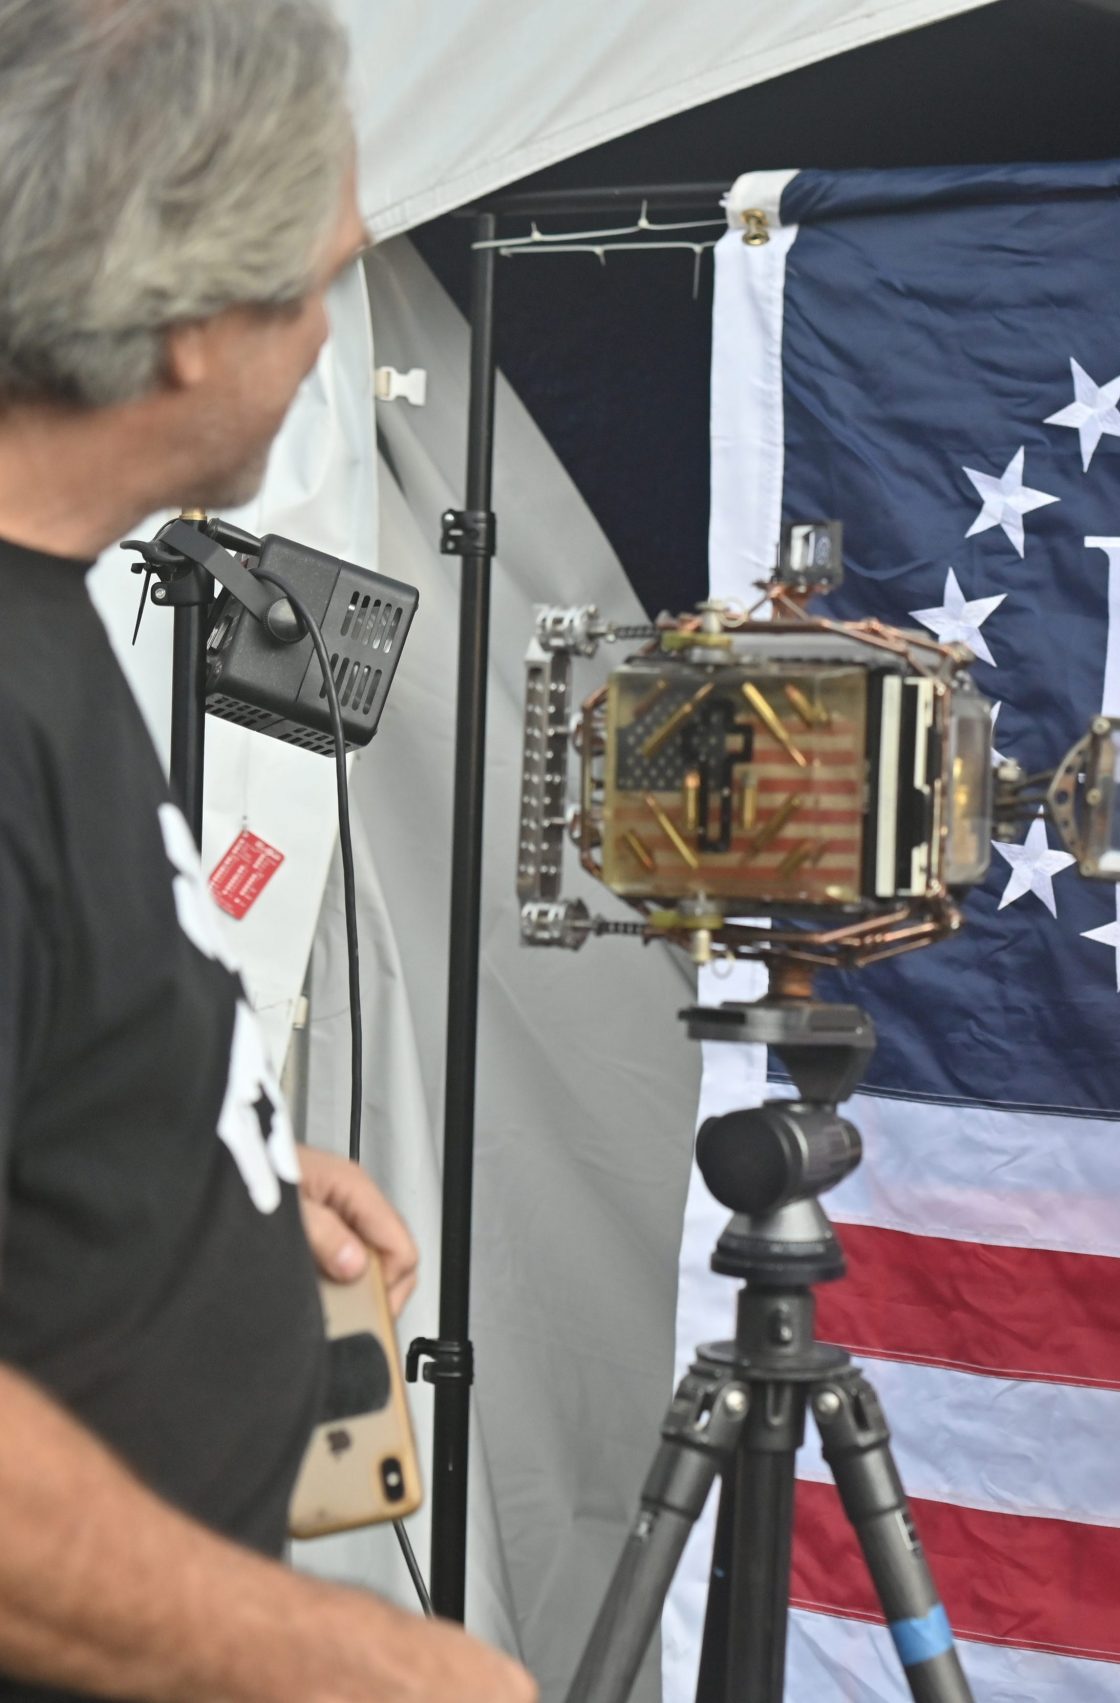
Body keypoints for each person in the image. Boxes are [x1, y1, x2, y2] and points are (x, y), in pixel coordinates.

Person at [0, 2, 535, 1698]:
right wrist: (339, 1661)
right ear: (179, 329)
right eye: (315, 285)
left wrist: (202, 1166)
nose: (327, 345)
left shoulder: (51, 606)